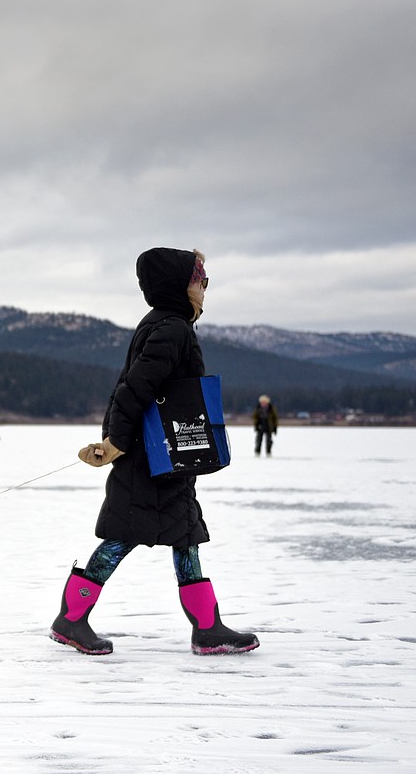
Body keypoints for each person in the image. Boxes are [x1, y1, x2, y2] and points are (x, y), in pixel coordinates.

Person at [49, 247, 259, 656]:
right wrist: (116, 442)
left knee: (185, 537)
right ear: (178, 286)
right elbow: (135, 388)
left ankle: (207, 627)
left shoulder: (171, 325)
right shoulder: (171, 329)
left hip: (168, 459)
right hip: (151, 459)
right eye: (200, 279)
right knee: (122, 536)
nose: (204, 287)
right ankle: (71, 619)